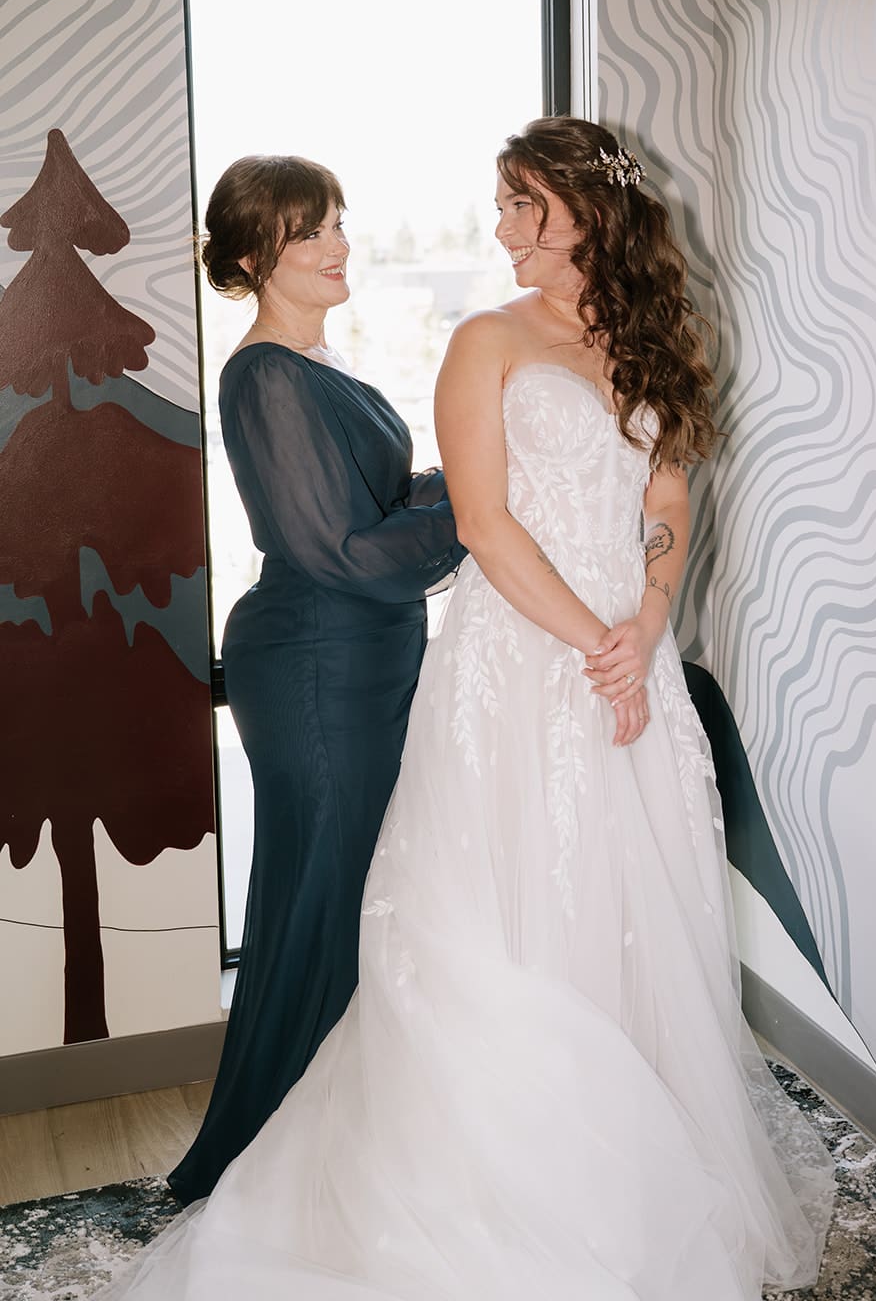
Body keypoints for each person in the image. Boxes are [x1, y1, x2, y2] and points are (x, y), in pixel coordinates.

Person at [107, 121, 834, 1298]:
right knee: (492, 909)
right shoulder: (480, 338)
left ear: (581, 215)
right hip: (515, 665)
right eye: (498, 207)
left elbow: (667, 493)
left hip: (619, 661)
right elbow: (480, 524)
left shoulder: (648, 341)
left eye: (515, 207)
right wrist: (595, 635)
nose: (495, 229)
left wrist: (648, 623)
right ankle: (443, 1165)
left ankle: (632, 1156)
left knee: (632, 906)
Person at [167, 156, 466, 1207]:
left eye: (337, 222)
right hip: (313, 666)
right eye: (308, 234)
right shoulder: (264, 375)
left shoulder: (314, 360)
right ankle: (280, 1153)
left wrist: (453, 483)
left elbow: (378, 503)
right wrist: (477, 504)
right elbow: (341, 547)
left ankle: (342, 1130)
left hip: (365, 654)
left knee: (351, 891)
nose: (339, 245)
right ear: (254, 258)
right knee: (330, 896)